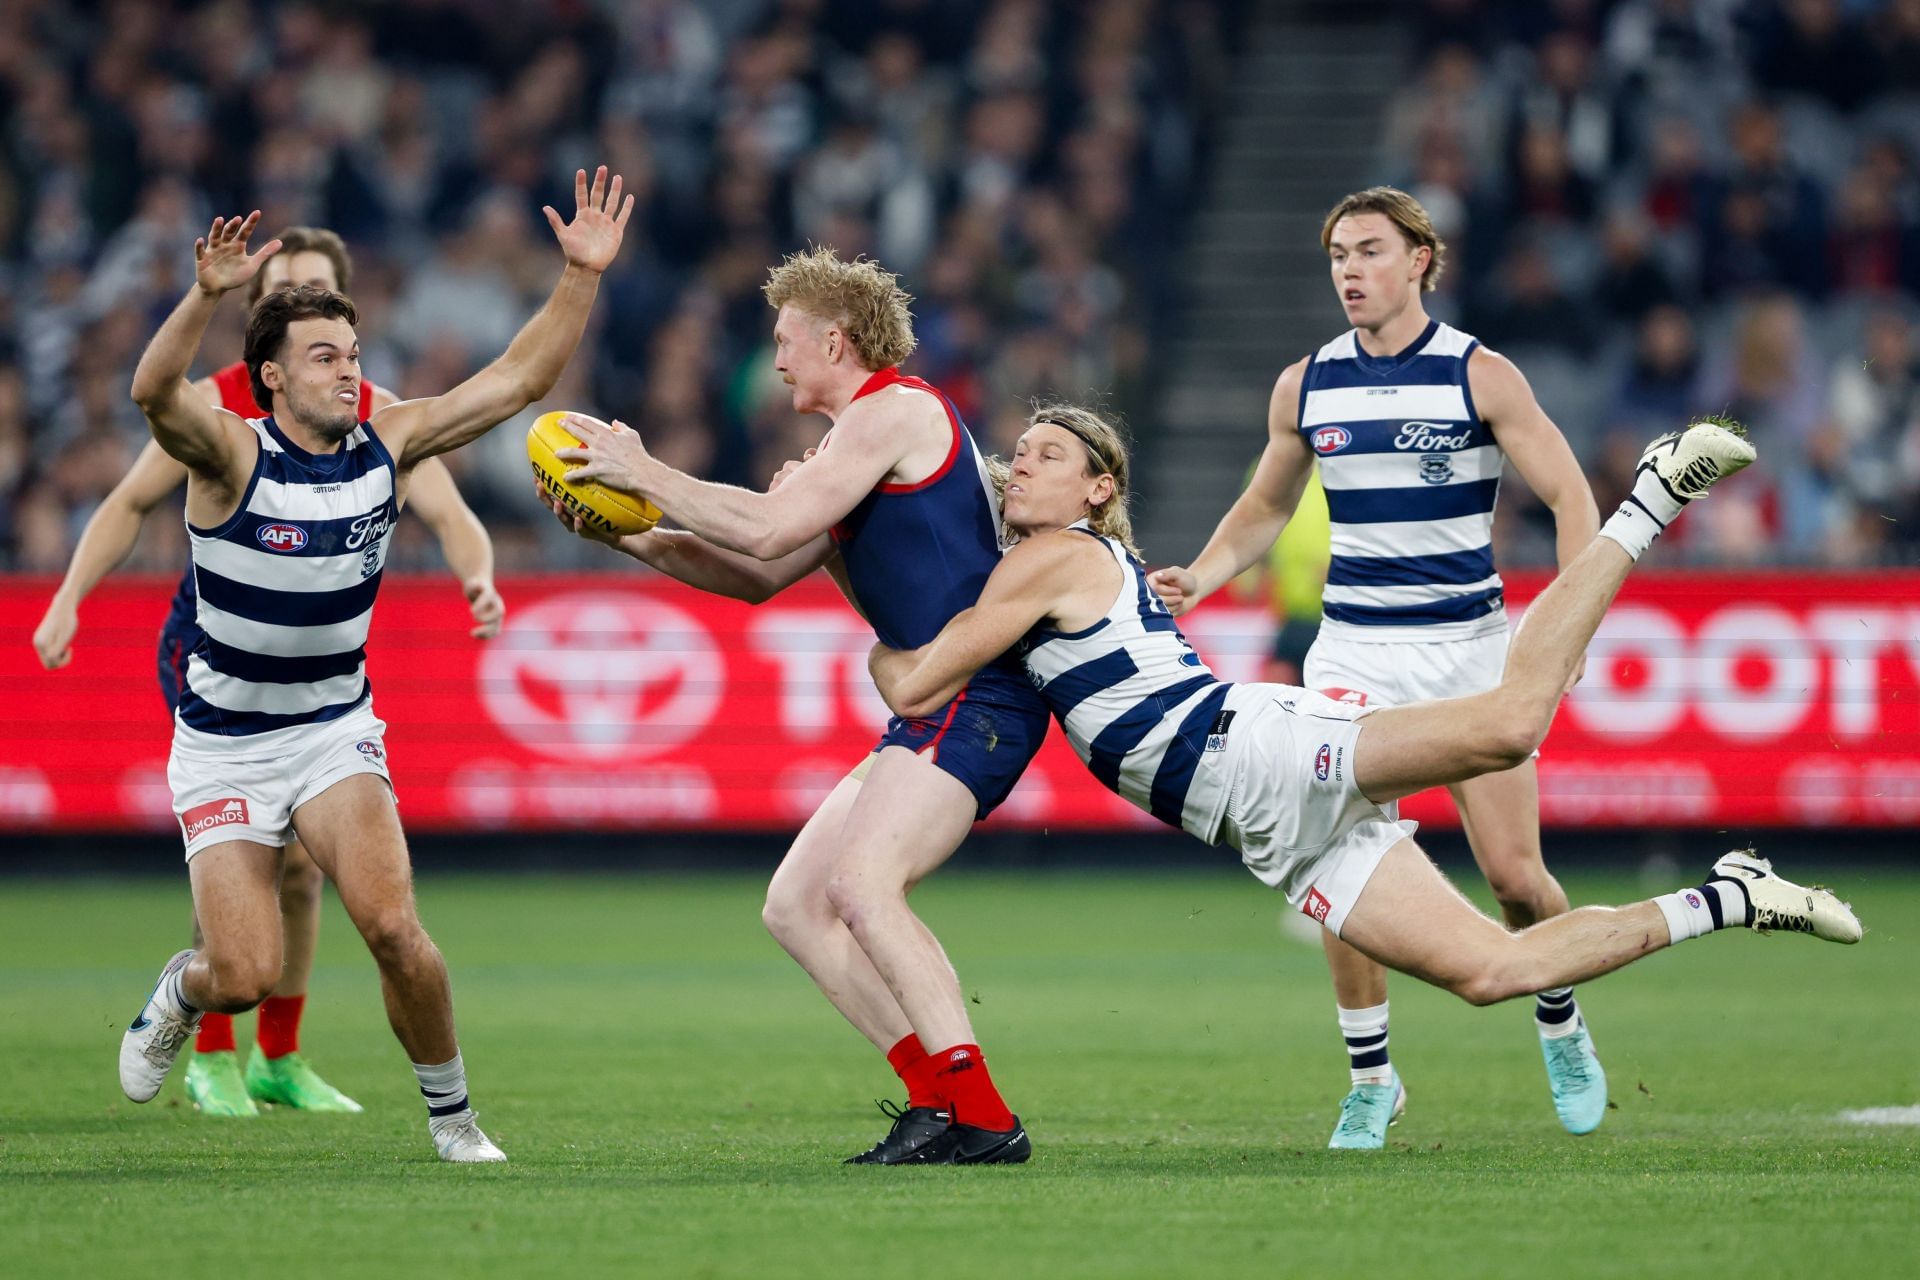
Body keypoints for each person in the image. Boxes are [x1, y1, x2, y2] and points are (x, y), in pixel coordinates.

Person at [865, 406, 1859, 1148]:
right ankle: (1731, 895)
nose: (1020, 464)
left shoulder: (1054, 557)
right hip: (1267, 828)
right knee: (1493, 971)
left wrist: (857, 578)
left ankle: (1648, 498)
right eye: (1019, 452)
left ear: (1096, 489)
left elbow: (917, 680)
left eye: (1049, 452)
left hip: (1257, 750)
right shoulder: (1050, 566)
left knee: (1512, 725)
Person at [117, 166, 631, 1163]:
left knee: (396, 930)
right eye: (322, 357)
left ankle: (456, 1120)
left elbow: (517, 381)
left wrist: (580, 276)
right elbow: (149, 391)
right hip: (224, 744)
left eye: (353, 353)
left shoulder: (387, 444)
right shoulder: (228, 453)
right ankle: (180, 992)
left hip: (331, 730)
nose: (347, 371)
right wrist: (206, 294)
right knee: (243, 971)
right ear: (271, 374)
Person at [544, 247, 1048, 1165]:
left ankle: (983, 1117)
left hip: (979, 691)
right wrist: (629, 536)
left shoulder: (894, 409)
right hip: (939, 697)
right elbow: (759, 574)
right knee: (795, 905)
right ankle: (939, 1102)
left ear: (835, 338)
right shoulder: (853, 443)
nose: (773, 359)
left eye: (784, 339)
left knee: (861, 888)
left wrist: (642, 468)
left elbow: (769, 527)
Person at [1149, 186, 1608, 1148]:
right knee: (1340, 865)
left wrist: (1572, 632)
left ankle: (1561, 1024)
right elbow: (1267, 507)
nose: (1349, 271)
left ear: (1419, 263)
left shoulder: (1481, 376)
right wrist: (1204, 569)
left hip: (1472, 653)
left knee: (1517, 878)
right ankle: (1372, 1080)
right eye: (1336, 256)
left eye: (1367, 251)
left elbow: (1572, 498)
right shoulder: (1305, 383)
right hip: (1354, 653)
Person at [34, 226, 503, 1120]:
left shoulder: (373, 413)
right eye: (286, 288)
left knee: (310, 876)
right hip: (214, 652)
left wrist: (476, 572)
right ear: (267, 328)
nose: (301, 301)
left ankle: (278, 1056)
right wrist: (68, 598)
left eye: (325, 297)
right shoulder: (215, 407)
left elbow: (446, 501)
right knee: (252, 879)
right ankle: (211, 1032)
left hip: (324, 695)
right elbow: (131, 499)